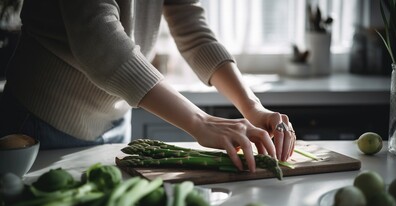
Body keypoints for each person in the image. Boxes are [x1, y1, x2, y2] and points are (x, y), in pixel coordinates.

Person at [0, 0, 296, 172]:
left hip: (116, 122)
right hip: (39, 122)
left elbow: (192, 28)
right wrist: (202, 122)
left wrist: (252, 106)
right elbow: (98, 39)